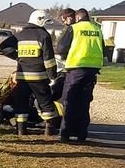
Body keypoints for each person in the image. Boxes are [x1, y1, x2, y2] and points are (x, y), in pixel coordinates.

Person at [55, 8, 105, 142]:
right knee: (84, 102)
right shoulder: (97, 29)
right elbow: (103, 49)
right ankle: (81, 134)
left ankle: (65, 134)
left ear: (77, 18)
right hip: (92, 70)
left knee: (69, 100)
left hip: (76, 69)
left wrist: (66, 57)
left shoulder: (75, 28)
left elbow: (61, 48)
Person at [13, 9, 62, 137]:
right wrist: (53, 76)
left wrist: (18, 57)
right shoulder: (43, 35)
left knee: (22, 103)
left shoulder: (20, 35)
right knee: (45, 102)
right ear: (40, 21)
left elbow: (4, 46)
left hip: (22, 77)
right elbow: (49, 60)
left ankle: (20, 130)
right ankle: (49, 129)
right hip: (38, 77)